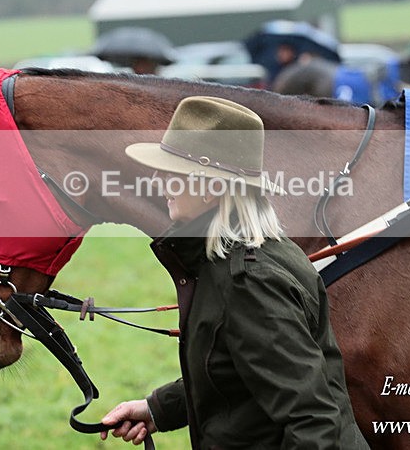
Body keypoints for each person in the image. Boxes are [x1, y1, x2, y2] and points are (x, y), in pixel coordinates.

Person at [100, 96, 368, 449]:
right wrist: (157, 409)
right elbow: (239, 376)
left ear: (213, 189)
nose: (161, 181)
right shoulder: (237, 260)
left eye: (174, 173)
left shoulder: (251, 283)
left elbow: (313, 420)